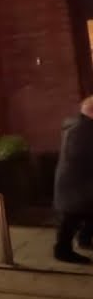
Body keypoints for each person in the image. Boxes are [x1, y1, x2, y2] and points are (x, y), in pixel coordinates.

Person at [53, 96, 93, 264]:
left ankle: (84, 239)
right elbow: (81, 156)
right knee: (71, 217)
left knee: (81, 213)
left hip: (77, 182)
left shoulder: (80, 125)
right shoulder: (83, 130)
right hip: (77, 183)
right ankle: (62, 251)